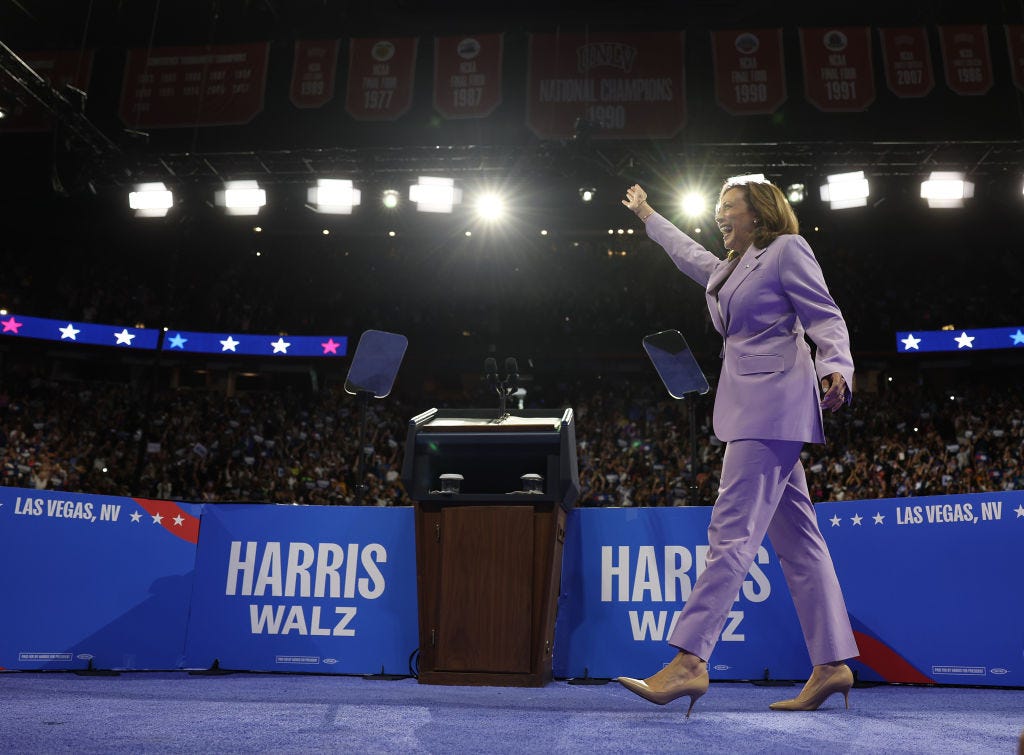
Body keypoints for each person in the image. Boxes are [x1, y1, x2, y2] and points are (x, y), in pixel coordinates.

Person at [617, 179, 859, 716]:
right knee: (800, 543)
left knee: (731, 533)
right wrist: (649, 216)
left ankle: (689, 661)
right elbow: (690, 256)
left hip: (773, 406)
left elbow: (824, 314)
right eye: (719, 208)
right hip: (754, 409)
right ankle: (833, 662)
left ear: (760, 213)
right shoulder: (730, 266)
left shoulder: (786, 250)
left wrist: (836, 365)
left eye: (729, 207)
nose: (720, 215)